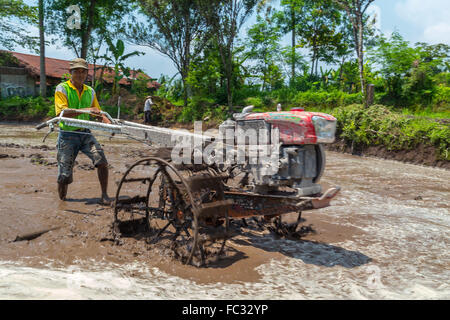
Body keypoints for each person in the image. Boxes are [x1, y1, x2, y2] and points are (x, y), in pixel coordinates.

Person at [54, 58, 112, 204]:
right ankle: (63, 200)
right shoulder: (62, 88)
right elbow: (62, 113)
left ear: (87, 73)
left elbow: (96, 112)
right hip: (67, 135)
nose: (80, 75)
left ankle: (104, 195)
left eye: (83, 72)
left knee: (102, 161)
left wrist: (108, 122)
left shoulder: (90, 91)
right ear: (70, 73)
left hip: (85, 133)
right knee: (65, 175)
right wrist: (87, 110)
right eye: (77, 72)